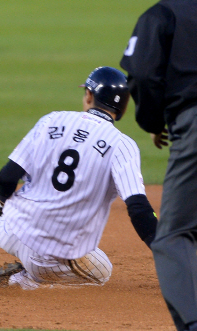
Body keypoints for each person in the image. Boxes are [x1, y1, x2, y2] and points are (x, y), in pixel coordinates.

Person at [0, 66, 158, 290]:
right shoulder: (123, 146)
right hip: (55, 256)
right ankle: (24, 281)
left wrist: (4, 201)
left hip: (17, 229)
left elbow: (7, 177)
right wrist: (170, 254)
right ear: (122, 108)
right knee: (103, 272)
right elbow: (139, 211)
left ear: (88, 95)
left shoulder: (52, 120)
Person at [120, 1, 197, 329]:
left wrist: (154, 121)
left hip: (192, 120)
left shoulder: (161, 14)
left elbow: (141, 73)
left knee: (174, 235)